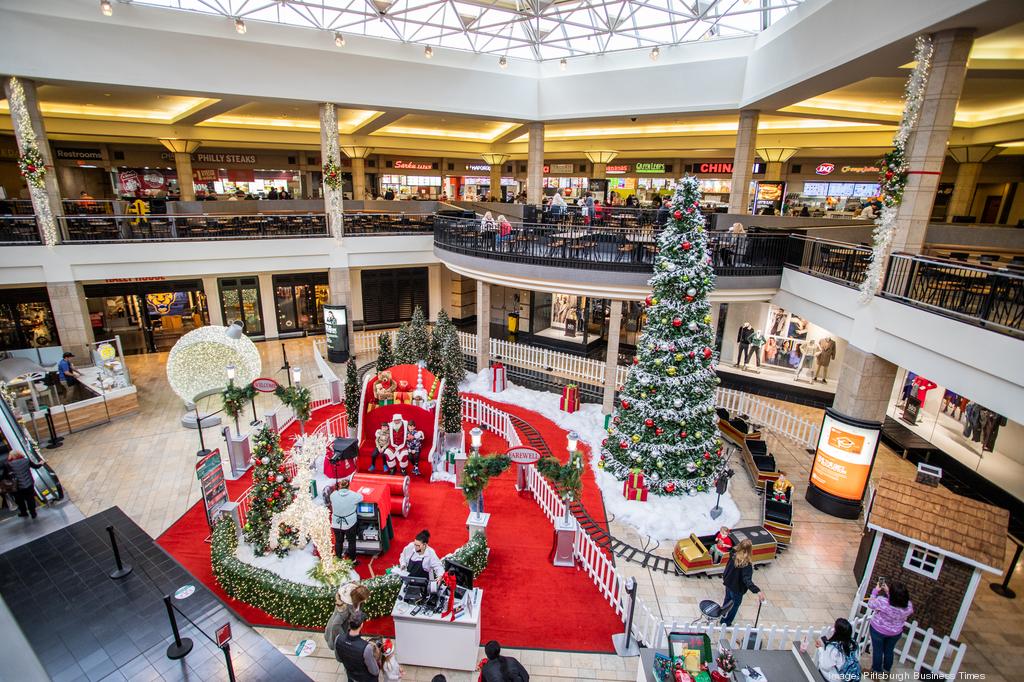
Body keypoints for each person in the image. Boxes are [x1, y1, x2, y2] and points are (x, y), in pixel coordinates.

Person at [868, 580, 913, 675]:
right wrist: (889, 592)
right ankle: (886, 670)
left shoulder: (882, 601)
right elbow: (897, 603)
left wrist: (875, 591)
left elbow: (871, 604)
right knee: (889, 651)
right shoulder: (908, 606)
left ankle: (876, 671)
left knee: (878, 651)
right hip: (895, 633)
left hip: (878, 630)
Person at [721, 538, 765, 626]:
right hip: (737, 588)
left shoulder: (733, 554)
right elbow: (747, 580)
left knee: (727, 600)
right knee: (734, 605)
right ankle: (726, 622)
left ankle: (723, 616)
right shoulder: (746, 564)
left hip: (728, 583)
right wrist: (757, 591)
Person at [335, 611, 380, 682]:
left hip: (351, 677)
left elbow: (339, 659)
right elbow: (374, 671)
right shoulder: (366, 648)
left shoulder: (338, 638)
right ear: (361, 625)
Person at [811, 618, 860, 682]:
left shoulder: (833, 648)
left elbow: (825, 666)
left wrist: (821, 649)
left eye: (834, 628)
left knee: (821, 669)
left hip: (836, 678)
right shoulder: (854, 643)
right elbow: (857, 658)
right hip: (852, 675)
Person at [325, 582, 371, 648]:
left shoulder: (353, 590)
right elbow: (335, 624)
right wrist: (345, 639)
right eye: (363, 599)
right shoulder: (345, 609)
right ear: (358, 599)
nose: (365, 600)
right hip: (342, 629)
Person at [329, 478, 364, 563]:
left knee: (338, 541)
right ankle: (353, 560)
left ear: (340, 486)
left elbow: (332, 498)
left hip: (336, 523)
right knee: (351, 542)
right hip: (350, 523)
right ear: (349, 486)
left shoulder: (333, 495)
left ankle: (338, 559)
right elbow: (361, 497)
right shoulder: (353, 495)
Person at [4, 449, 44, 519]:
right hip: (29, 484)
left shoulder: (8, 464)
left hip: (17, 487)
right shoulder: (26, 460)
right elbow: (36, 466)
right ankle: (33, 513)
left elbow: (4, 476)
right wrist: (41, 463)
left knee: (20, 500)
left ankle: (24, 512)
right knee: (30, 499)